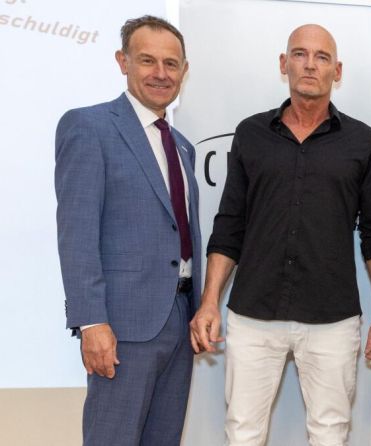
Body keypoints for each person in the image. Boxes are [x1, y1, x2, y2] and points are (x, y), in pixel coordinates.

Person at [189, 24, 371, 446]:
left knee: (330, 433)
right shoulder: (250, 133)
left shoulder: (364, 142)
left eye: (322, 57)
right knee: (242, 432)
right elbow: (229, 224)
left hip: (333, 318)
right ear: (284, 64)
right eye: (300, 54)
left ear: (338, 71)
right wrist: (209, 301)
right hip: (252, 312)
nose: (310, 65)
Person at [55, 15, 200, 446]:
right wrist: (91, 322)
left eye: (171, 64)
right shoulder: (89, 127)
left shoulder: (183, 146)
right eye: (148, 60)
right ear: (123, 61)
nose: (161, 73)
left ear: (184, 71)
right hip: (122, 327)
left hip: (180, 319)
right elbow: (77, 234)